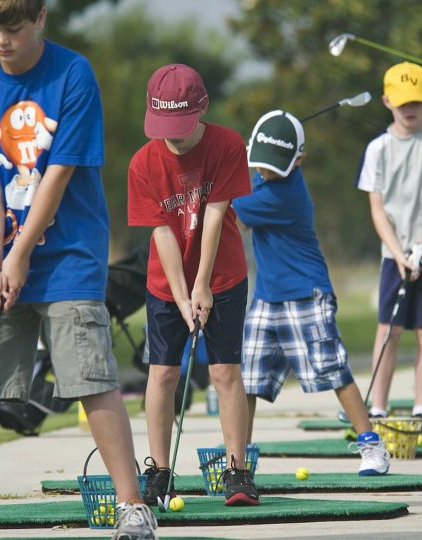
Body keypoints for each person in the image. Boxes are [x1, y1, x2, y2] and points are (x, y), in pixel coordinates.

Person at [0, 2, 156, 539]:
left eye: (12, 29)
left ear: (39, 17)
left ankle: (132, 508)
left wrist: (20, 255)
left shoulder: (72, 74)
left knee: (92, 378)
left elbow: (57, 174)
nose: (0, 41)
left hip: (70, 259)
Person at [127, 63, 259, 506]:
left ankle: (238, 472)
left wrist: (202, 286)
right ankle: (160, 473)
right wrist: (183, 295)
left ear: (201, 109)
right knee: (162, 373)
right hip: (165, 283)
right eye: (163, 125)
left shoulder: (226, 144)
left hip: (223, 274)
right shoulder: (143, 163)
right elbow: (162, 232)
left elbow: (216, 216)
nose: (172, 136)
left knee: (225, 371)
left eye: (180, 126)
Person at [235, 110, 391, 475]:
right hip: (266, 297)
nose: (264, 171)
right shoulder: (262, 179)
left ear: (298, 160)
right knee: (246, 381)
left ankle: (371, 446)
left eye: (271, 166)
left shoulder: (283, 195)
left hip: (307, 294)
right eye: (259, 164)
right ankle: (238, 459)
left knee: (333, 371)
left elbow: (233, 214)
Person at [356, 62, 422, 441]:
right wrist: (400, 252)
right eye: (402, 103)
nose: (410, 109)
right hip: (394, 252)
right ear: (387, 101)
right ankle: (377, 410)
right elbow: (377, 208)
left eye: (416, 101)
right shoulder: (379, 149)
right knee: (389, 329)